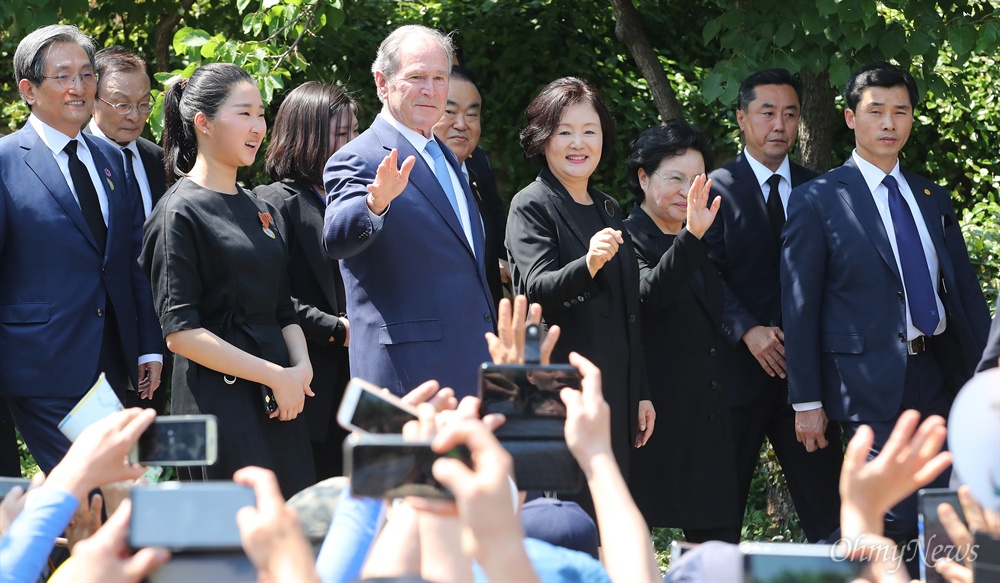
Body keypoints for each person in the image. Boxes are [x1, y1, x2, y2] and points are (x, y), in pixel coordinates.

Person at [781, 61, 990, 549]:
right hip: (864, 382)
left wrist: (988, 372)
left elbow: (963, 294)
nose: (889, 123)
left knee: (950, 501)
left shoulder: (931, 195)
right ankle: (811, 570)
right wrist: (806, 400)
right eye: (876, 111)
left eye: (900, 112)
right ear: (852, 118)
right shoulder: (818, 199)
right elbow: (800, 305)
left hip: (937, 374)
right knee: (890, 510)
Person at [140, 63, 315, 497]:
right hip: (216, 403)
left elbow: (282, 306)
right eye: (244, 114)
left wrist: (300, 368)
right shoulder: (177, 212)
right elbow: (181, 334)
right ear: (203, 123)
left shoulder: (261, 208)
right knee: (232, 546)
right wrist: (275, 375)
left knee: (292, 528)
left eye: (260, 114)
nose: (258, 127)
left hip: (282, 398)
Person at [0, 24, 162, 473]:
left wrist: (148, 345)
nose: (78, 87)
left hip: (112, 360)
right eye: (64, 76)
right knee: (93, 486)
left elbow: (132, 259)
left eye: (87, 75)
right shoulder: (6, 161)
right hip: (40, 364)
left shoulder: (110, 157)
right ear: (28, 90)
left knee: (118, 484)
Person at [704, 68, 842, 542]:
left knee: (832, 518)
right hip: (735, 379)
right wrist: (747, 329)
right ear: (742, 118)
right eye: (767, 113)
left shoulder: (820, 190)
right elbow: (702, 273)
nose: (779, 125)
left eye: (790, 114)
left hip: (805, 384)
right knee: (717, 523)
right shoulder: (714, 189)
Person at [323, 25, 495, 398]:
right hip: (407, 378)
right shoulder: (359, 156)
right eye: (416, 77)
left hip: (473, 369)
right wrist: (375, 203)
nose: (432, 90)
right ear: (382, 83)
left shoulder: (447, 156)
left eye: (440, 78)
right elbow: (336, 237)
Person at [505, 77, 653, 485]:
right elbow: (537, 289)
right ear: (542, 138)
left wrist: (639, 389)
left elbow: (629, 310)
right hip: (560, 390)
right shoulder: (531, 203)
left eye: (590, 132)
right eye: (564, 132)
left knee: (609, 508)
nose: (578, 144)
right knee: (568, 515)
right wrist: (587, 263)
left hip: (614, 391)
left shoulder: (607, 206)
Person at [623, 120, 741, 542]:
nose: (687, 192)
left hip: (705, 421)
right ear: (643, 177)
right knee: (635, 551)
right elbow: (650, 294)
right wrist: (691, 236)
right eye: (675, 179)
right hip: (651, 424)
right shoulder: (625, 237)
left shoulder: (701, 239)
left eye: (696, 180)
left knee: (716, 552)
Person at [254, 81, 357, 481]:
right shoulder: (274, 201)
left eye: (355, 131)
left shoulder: (357, 193)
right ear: (307, 135)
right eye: (342, 134)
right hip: (311, 380)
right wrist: (336, 329)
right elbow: (271, 293)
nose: (354, 142)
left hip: (362, 377)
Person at [87, 45, 170, 413]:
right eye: (121, 104)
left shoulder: (155, 159)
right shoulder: (76, 159)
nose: (135, 116)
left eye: (143, 103)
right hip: (92, 342)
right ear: (93, 98)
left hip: (157, 332)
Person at [432, 65, 509, 310]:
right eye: (449, 111)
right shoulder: (404, 179)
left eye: (472, 114)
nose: (462, 124)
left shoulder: (478, 172)